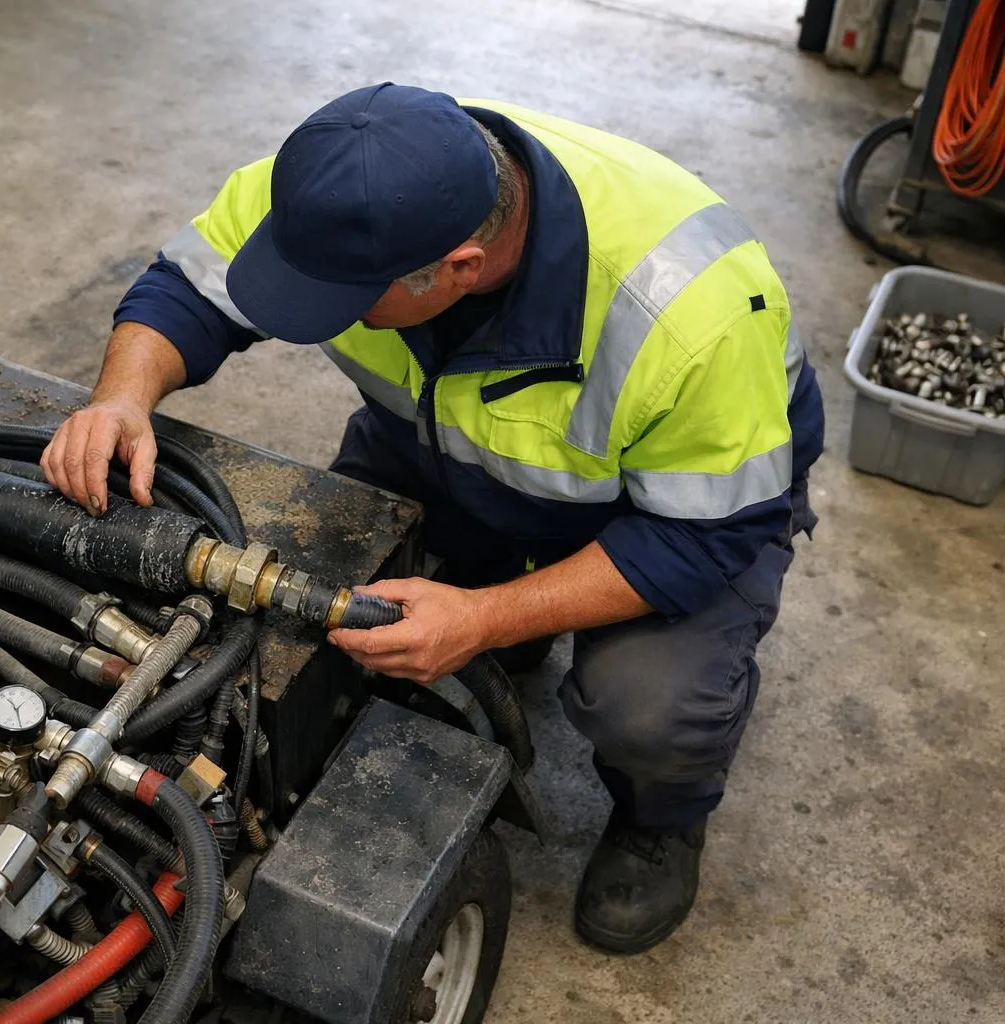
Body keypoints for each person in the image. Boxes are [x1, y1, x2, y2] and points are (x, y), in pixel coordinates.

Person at [40, 83, 823, 954]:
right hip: (444, 453)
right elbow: (189, 287)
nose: (311, 315)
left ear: (460, 268)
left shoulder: (692, 318)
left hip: (680, 510)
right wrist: (119, 400)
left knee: (645, 708)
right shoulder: (345, 187)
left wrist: (488, 615)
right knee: (306, 611)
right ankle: (492, 603)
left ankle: (660, 822)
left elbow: (701, 537)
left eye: (340, 300)